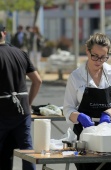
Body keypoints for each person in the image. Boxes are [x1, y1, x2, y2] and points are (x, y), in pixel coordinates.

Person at [63, 33, 111, 170]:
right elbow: (68, 109)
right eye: (95, 56)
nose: (99, 61)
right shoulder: (76, 76)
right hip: (85, 140)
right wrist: (79, 116)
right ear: (87, 50)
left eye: (103, 57)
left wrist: (108, 113)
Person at [0, 24, 42, 170]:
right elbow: (37, 80)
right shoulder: (20, 53)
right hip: (22, 111)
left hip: (2, 111)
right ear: (4, 33)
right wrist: (28, 103)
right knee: (27, 151)